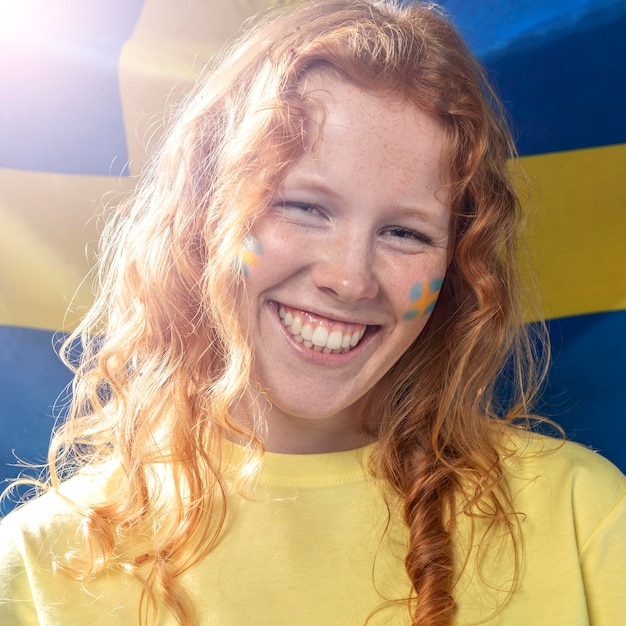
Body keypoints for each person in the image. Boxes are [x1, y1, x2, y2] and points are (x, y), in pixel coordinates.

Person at [1, 1, 624, 624]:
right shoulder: (36, 564)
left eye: (405, 233)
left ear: (458, 264)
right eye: (304, 207)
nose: (349, 278)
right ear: (202, 215)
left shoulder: (587, 519)